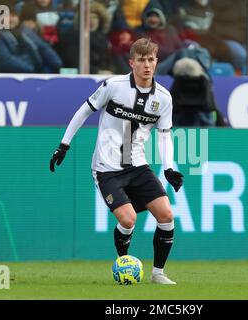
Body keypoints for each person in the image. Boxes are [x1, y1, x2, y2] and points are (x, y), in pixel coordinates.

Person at [49, 38, 183, 285]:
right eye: (141, 60)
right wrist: (64, 144)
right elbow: (84, 111)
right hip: (107, 168)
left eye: (151, 60)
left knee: (166, 215)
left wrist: (169, 168)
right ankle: (124, 263)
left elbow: (165, 136)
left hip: (138, 165)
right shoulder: (113, 86)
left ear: (156, 62)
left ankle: (158, 274)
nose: (146, 65)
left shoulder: (163, 98)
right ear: (131, 62)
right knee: (128, 218)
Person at [0, 7, 62, 73]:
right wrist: (32, 69)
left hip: (32, 73)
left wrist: (57, 65)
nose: (11, 19)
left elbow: (43, 47)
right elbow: (4, 60)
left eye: (13, 16)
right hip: (8, 78)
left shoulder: (24, 31)